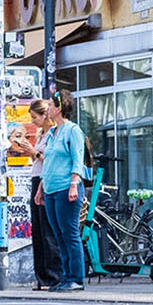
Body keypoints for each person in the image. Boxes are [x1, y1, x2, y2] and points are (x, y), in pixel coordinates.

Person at [39, 93, 89, 292]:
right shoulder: (52, 133)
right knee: (58, 235)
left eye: (50, 105)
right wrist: (41, 188)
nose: (48, 109)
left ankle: (76, 278)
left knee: (70, 234)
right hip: (51, 189)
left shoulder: (72, 131)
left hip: (66, 188)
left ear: (59, 108)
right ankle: (65, 276)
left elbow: (78, 158)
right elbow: (49, 162)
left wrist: (74, 184)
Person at [15, 100, 62, 290]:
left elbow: (51, 160)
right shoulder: (43, 135)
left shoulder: (54, 135)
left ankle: (53, 276)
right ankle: (42, 276)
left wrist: (33, 152)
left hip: (46, 180)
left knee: (47, 230)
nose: (33, 121)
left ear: (45, 115)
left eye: (35, 117)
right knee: (38, 232)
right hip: (36, 178)